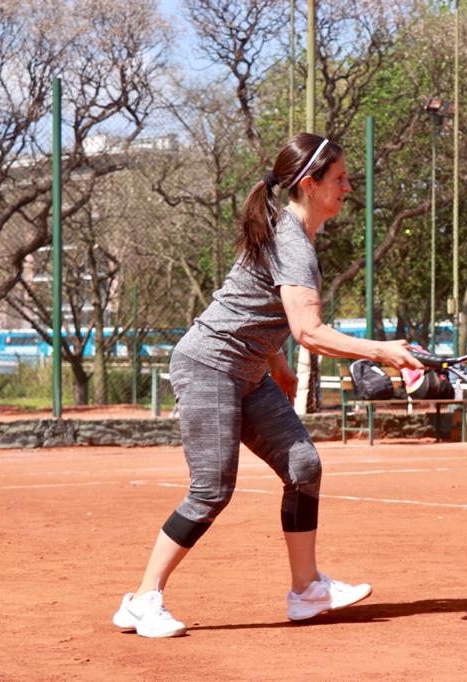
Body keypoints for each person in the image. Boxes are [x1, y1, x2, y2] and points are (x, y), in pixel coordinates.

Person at [112, 133, 422, 638]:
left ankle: (306, 591)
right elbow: (310, 332)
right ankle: (142, 600)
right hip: (210, 366)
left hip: (248, 369)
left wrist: (273, 358)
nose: (348, 188)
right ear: (309, 184)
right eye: (340, 178)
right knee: (211, 489)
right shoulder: (292, 241)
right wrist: (381, 350)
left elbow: (252, 304)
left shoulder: (291, 234)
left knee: (303, 466)